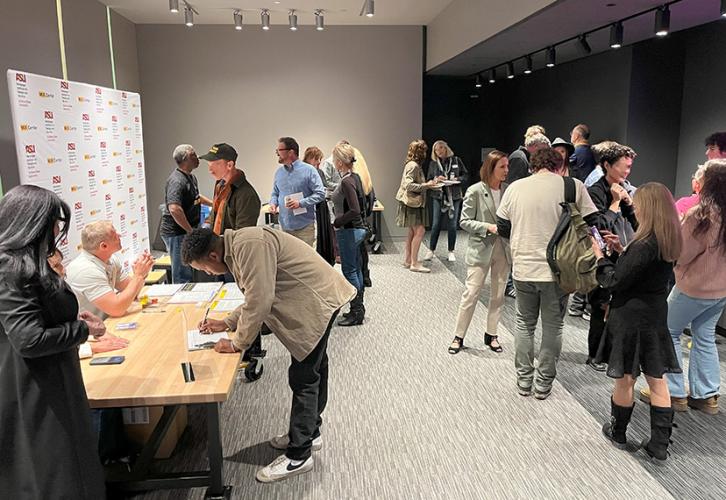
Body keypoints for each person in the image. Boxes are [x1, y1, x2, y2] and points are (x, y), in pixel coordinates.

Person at [181, 227, 356, 483]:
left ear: (213, 256)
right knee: (315, 369)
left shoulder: (249, 245)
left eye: (204, 268)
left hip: (319, 300)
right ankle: (310, 432)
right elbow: (257, 292)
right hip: (318, 296)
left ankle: (299, 455)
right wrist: (228, 322)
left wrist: (237, 343)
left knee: (304, 377)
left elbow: (261, 299)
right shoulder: (240, 246)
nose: (207, 273)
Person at [0, 185, 107, 498]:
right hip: (35, 389)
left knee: (68, 468)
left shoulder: (25, 264)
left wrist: (73, 324)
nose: (58, 231)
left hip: (52, 380)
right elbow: (29, 340)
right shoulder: (11, 270)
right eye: (53, 224)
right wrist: (81, 331)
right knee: (55, 474)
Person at [497, 148, 598, 399]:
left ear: (532, 164)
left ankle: (523, 380)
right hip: (559, 271)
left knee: (524, 323)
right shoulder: (572, 186)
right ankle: (543, 383)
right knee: (553, 326)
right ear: (559, 165)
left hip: (522, 268)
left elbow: (502, 225)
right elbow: (592, 220)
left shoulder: (515, 188)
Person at [593, 183, 682, 463]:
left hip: (630, 318)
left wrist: (601, 258)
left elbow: (615, 281)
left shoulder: (643, 244)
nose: (636, 207)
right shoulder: (668, 239)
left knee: (626, 377)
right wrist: (621, 252)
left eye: (639, 203)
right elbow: (640, 272)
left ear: (650, 207)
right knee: (658, 380)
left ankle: (618, 431)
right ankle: (659, 444)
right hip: (655, 315)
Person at [657, 161, 726, 415]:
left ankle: (673, 393)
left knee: (668, 331)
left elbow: (682, 254)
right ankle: (707, 395)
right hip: (721, 292)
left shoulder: (701, 215)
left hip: (692, 288)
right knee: (705, 335)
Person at [448, 150, 511, 355]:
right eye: (502, 166)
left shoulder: (508, 190)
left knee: (498, 295)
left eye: (507, 166)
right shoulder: (475, 190)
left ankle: (492, 334)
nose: (506, 170)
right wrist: (487, 226)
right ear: (491, 168)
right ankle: (459, 336)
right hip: (481, 249)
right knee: (471, 293)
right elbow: (464, 221)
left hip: (503, 249)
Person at [585, 142, 638, 372]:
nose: (626, 173)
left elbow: (637, 225)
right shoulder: (595, 191)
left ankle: (608, 354)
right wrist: (616, 203)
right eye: (622, 168)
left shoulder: (624, 188)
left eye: (629, 168)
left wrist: (628, 203)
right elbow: (599, 227)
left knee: (614, 307)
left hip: (620, 254)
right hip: (600, 255)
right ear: (607, 165)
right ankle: (594, 355)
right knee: (599, 305)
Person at [66, 221, 154, 319]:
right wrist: (138, 276)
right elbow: (117, 309)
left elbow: (133, 293)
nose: (119, 235)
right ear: (103, 246)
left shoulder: (110, 259)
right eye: (115, 235)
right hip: (89, 331)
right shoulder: (86, 271)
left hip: (104, 322)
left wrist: (142, 273)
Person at [48, 250, 129, 358]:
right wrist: (91, 346)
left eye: (61, 263)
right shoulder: (32, 302)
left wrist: (91, 333)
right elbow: (41, 343)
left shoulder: (58, 290)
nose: (63, 270)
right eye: (56, 266)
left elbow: (64, 330)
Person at [160, 144, 212, 283]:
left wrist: (215, 204)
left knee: (189, 267)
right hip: (177, 233)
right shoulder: (177, 180)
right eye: (194, 155)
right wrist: (190, 231)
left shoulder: (191, 177)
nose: (198, 157)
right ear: (187, 158)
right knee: (182, 273)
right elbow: (174, 208)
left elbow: (196, 197)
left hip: (186, 231)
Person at [330, 142, 369, 326]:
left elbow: (354, 209)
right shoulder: (355, 177)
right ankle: (357, 309)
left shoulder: (346, 181)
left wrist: (337, 221)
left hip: (348, 231)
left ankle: (356, 311)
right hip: (355, 230)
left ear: (339, 162)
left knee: (350, 271)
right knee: (356, 270)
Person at [269, 137, 326, 247]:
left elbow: (320, 194)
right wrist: (273, 203)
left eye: (279, 150)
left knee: (306, 263)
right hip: (285, 228)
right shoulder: (279, 173)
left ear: (291, 152)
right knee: (287, 263)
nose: (277, 153)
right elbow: (275, 193)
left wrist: (300, 203)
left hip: (304, 229)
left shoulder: (309, 170)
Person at [396, 139, 442, 273]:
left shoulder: (413, 165)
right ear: (420, 152)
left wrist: (430, 183)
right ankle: (414, 263)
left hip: (412, 202)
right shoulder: (413, 166)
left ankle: (409, 260)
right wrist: (426, 185)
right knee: (420, 231)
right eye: (424, 150)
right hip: (412, 203)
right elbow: (408, 185)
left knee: (412, 231)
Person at [201, 142, 261, 235]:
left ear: (230, 165)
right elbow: (216, 213)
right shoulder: (220, 185)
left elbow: (243, 235)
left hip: (231, 247)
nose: (210, 170)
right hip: (217, 245)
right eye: (209, 165)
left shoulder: (247, 195)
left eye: (215, 164)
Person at [424, 140, 468, 262]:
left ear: (446, 148)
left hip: (454, 196)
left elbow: (465, 176)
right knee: (436, 224)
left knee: (452, 224)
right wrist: (436, 179)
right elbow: (428, 179)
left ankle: (451, 251)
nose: (439, 151)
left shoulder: (456, 160)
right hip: (438, 196)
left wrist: (457, 179)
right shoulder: (433, 164)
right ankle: (431, 250)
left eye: (442, 148)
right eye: (437, 149)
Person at [303, 146, 335, 265]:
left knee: (322, 235)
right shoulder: (304, 171)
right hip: (310, 207)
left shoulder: (319, 172)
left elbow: (325, 187)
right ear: (310, 158)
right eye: (317, 159)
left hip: (321, 206)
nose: (319, 162)